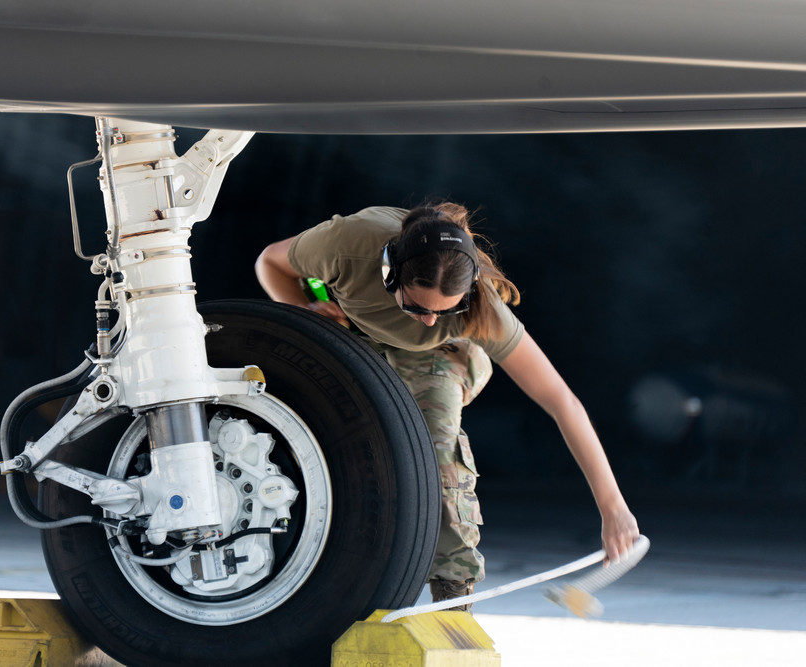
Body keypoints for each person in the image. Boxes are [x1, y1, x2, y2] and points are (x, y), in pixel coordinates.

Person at [255, 202, 640, 609]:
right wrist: (306, 312)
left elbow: (562, 401)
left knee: (437, 453)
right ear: (389, 274)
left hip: (441, 356)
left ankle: (453, 597)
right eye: (416, 307)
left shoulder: (481, 310)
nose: (429, 320)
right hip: (357, 339)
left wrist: (613, 506)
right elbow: (271, 263)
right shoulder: (347, 245)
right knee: (330, 444)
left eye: (446, 309)